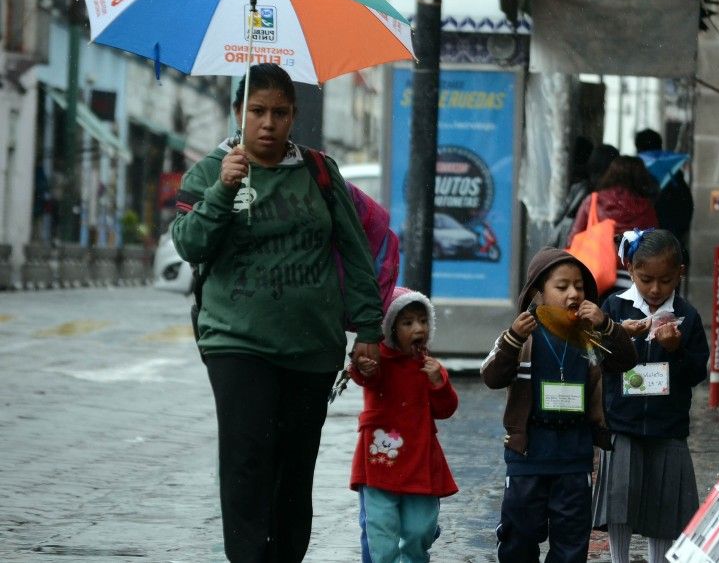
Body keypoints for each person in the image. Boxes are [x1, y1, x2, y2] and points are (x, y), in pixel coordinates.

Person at [171, 63, 385, 563]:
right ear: (237, 112)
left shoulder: (319, 170)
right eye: (257, 111)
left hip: (312, 347)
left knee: (295, 465)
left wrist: (370, 329)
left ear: (294, 116)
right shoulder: (209, 171)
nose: (268, 123)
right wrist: (224, 191)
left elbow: (355, 253)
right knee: (247, 460)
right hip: (236, 341)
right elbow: (189, 245)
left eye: (280, 113)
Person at [481, 247, 638, 563]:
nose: (573, 294)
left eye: (579, 286)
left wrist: (607, 325)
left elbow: (625, 360)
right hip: (528, 456)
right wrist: (512, 339)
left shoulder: (589, 335)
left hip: (574, 456)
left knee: (572, 543)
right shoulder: (522, 334)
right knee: (519, 536)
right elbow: (492, 376)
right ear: (539, 291)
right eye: (562, 286)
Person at [592, 229, 709, 563]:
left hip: (667, 424)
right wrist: (619, 336)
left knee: (665, 501)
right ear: (630, 270)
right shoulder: (614, 307)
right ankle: (619, 558)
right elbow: (598, 359)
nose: (656, 289)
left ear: (680, 274)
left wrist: (676, 350)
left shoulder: (687, 317)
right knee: (620, 500)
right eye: (646, 279)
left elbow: (695, 372)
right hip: (623, 421)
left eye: (666, 280)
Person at [348, 286, 458, 563]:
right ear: (391, 328)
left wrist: (438, 383)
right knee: (380, 530)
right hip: (381, 459)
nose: (417, 328)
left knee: (421, 528)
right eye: (407, 322)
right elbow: (363, 375)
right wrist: (363, 366)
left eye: (422, 321)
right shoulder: (379, 358)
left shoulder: (430, 367)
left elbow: (446, 409)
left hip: (420, 459)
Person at [567, 155, 659, 295]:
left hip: (596, 275)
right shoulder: (647, 207)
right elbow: (655, 245)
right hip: (633, 279)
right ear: (641, 178)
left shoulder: (593, 201)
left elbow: (573, 239)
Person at [635, 128, 694, 264]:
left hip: (643, 251)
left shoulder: (637, 176)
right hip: (671, 249)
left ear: (638, 149)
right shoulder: (673, 175)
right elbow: (687, 208)